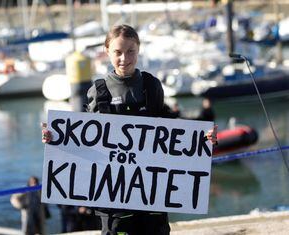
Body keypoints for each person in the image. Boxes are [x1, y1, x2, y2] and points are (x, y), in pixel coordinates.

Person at [42, 24, 217, 235]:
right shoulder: (98, 91)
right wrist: (56, 139)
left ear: (138, 50)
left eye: (130, 51)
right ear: (107, 51)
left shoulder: (152, 86)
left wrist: (201, 137)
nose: (124, 58)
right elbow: (83, 139)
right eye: (117, 52)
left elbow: (170, 125)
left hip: (152, 193)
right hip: (113, 197)